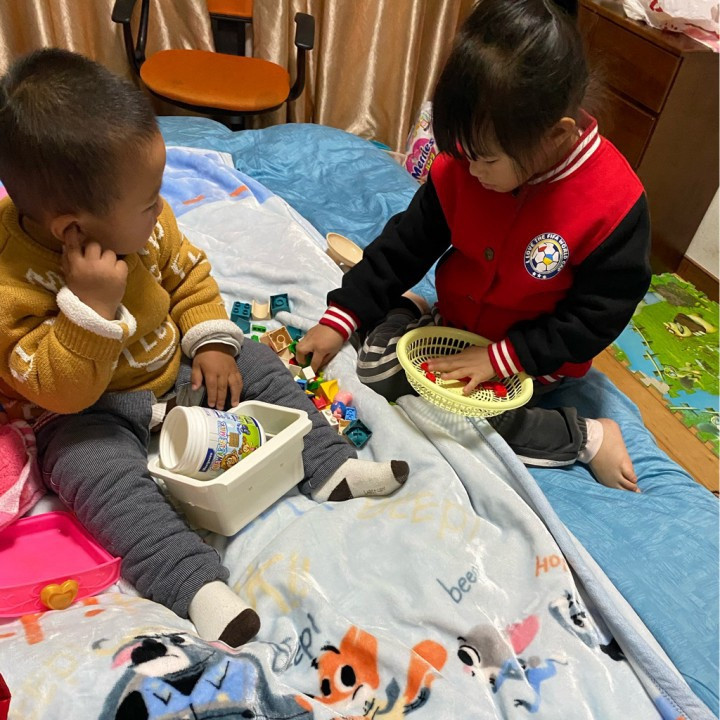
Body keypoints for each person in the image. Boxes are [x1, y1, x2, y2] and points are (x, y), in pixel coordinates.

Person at [0, 49, 409, 647]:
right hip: (90, 413)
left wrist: (212, 343)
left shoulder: (149, 223)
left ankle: (329, 466)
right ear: (73, 230)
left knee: (254, 360)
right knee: (85, 468)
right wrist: (90, 310)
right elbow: (58, 391)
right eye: (148, 203)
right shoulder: (11, 282)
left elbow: (189, 278)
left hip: (175, 372)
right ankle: (193, 584)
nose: (160, 209)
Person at [297, 0, 651, 492]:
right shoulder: (466, 166)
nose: (469, 171)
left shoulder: (613, 204)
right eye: (459, 153)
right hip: (455, 330)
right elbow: (406, 244)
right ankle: (407, 309)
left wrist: (503, 358)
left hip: (529, 361)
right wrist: (344, 314)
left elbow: (596, 318)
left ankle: (586, 436)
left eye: (484, 159)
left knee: (459, 426)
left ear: (556, 136)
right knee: (377, 370)